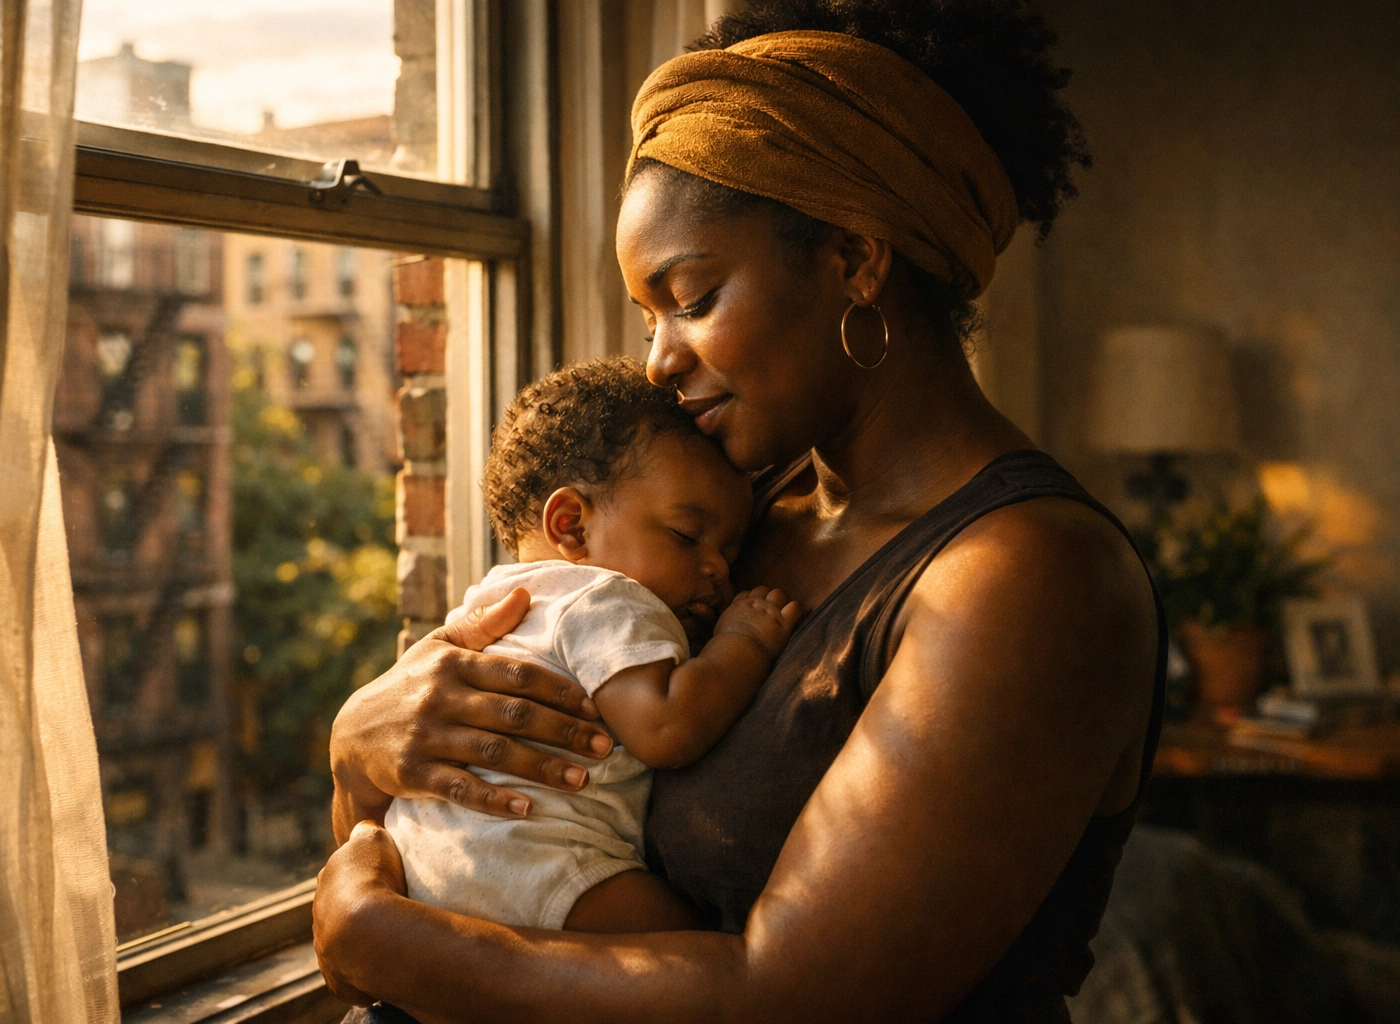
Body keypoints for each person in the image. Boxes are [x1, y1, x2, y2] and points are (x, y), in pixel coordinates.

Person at [315, 2, 1166, 1021]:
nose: (658, 359)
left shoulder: (1028, 577)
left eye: (692, 295)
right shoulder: (729, 523)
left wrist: (388, 943)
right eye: (647, 314)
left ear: (856, 260)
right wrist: (359, 748)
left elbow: (793, 997)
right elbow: (460, 799)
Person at [385, 358, 800, 935]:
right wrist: (743, 641)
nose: (716, 569)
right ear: (572, 526)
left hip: (426, 854)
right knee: (696, 945)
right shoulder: (604, 597)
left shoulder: (496, 597)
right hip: (534, 860)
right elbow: (665, 727)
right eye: (687, 535)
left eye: (729, 553)